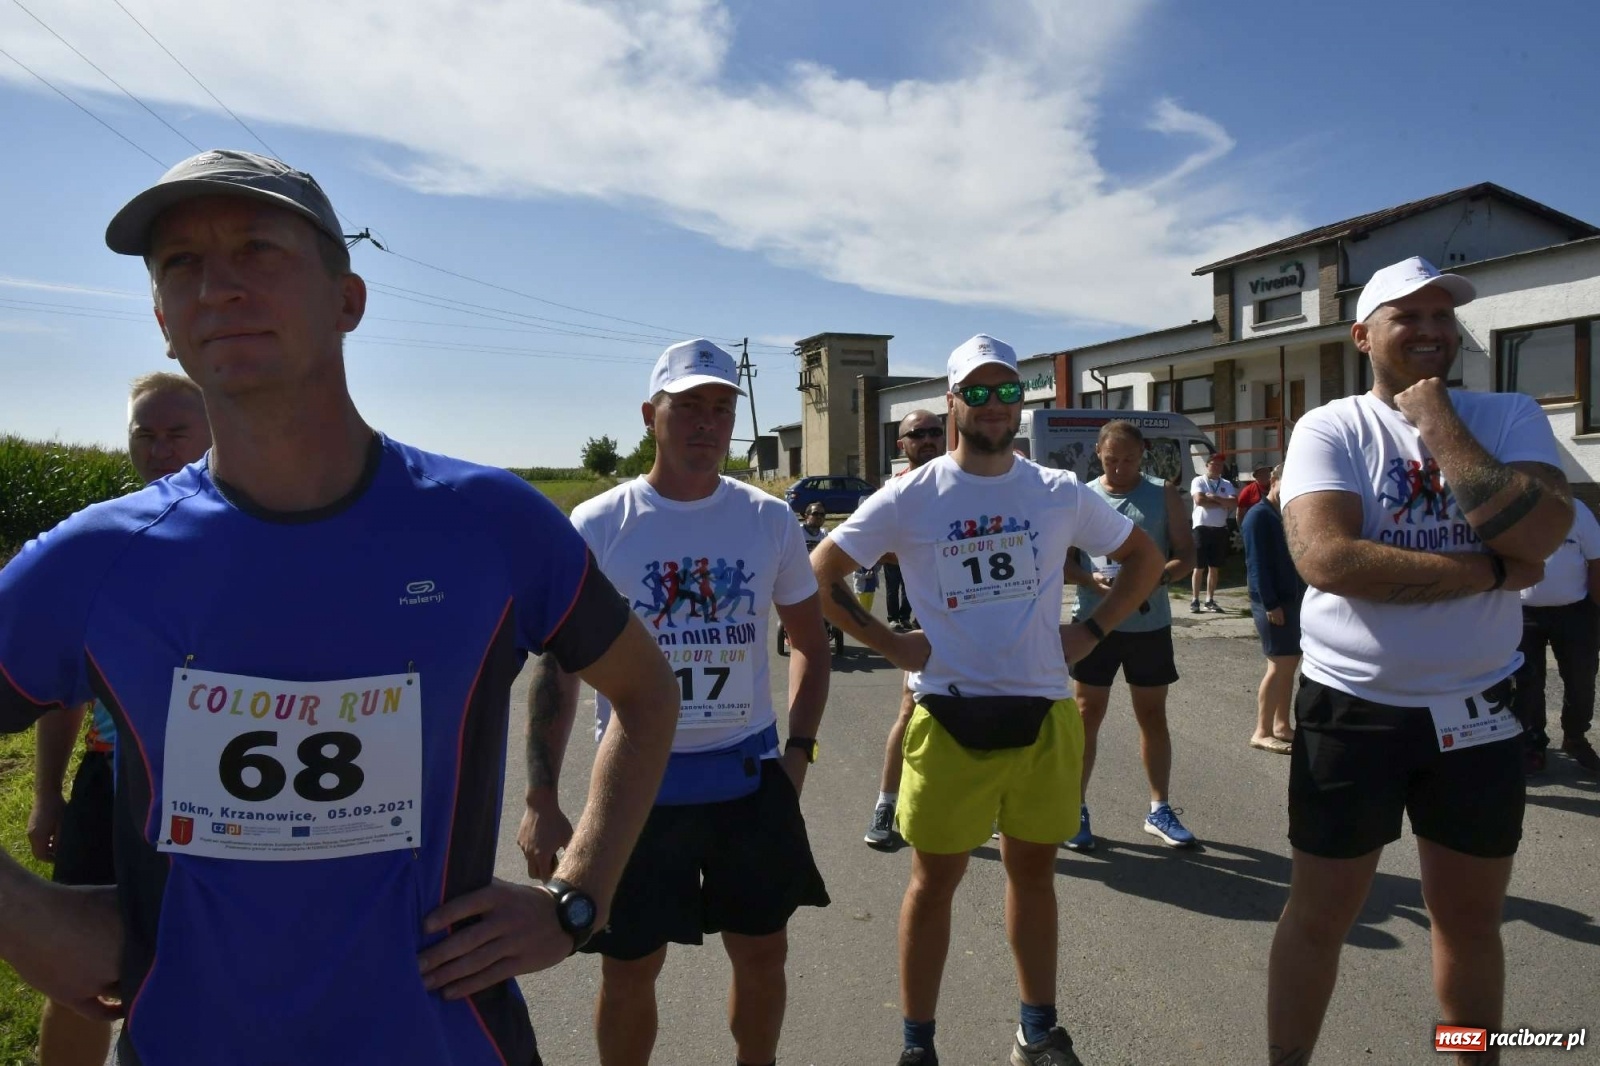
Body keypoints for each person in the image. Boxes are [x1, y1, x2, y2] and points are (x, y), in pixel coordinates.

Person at [0, 149, 679, 1066]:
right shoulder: (98, 560)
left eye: (258, 250)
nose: (218, 287)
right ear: (163, 321)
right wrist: (24, 916)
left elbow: (645, 694)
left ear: (348, 300)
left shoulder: (487, 523)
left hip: (444, 1041)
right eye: (182, 267)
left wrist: (578, 898)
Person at [813, 334, 1164, 1066]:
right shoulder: (913, 494)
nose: (995, 404)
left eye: (1007, 391)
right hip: (949, 715)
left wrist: (1092, 630)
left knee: (1033, 875)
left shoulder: (1055, 491)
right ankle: (918, 1045)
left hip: (1043, 714)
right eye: (978, 392)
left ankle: (1036, 1029)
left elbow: (1144, 559)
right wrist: (889, 643)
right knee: (933, 882)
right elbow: (822, 571)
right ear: (953, 403)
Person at [1269, 256, 1573, 1066]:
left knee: (1471, 923)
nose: (1433, 331)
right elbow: (1329, 559)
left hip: (1477, 708)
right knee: (1320, 915)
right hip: (1353, 710)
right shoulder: (1330, 427)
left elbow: (1541, 536)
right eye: (1410, 317)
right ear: (1364, 334)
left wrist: (1435, 419)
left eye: (1444, 316)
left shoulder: (1506, 413)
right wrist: (1484, 570)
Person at [518, 339, 831, 1066]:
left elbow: (811, 643)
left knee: (762, 954)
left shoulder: (767, 519)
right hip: (636, 787)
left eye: (721, 409)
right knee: (629, 968)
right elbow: (559, 671)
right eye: (688, 406)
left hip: (748, 782)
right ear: (650, 416)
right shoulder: (599, 523)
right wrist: (539, 795)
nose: (706, 423)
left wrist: (798, 756)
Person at [26, 372, 210, 1066]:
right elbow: (58, 686)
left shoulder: (259, 537)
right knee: (81, 978)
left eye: (176, 433)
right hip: (111, 784)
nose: (159, 449)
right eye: (145, 433)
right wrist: (48, 794)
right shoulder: (97, 542)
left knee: (198, 973)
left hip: (218, 792)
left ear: (214, 429)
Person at [1061, 419, 1197, 852]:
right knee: (1085, 717)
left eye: (1129, 459)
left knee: (1152, 717)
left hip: (1147, 625)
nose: (1120, 467)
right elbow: (1059, 562)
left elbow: (1187, 555)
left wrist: (1154, 579)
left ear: (1143, 457)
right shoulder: (1081, 496)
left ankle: (1159, 808)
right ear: (1098, 454)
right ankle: (1074, 808)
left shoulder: (1162, 493)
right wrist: (1088, 578)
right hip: (1094, 626)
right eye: (1112, 459)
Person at [863, 410, 947, 850]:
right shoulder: (893, 492)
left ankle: (979, 802)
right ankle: (886, 802)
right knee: (908, 712)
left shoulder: (963, 479)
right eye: (919, 434)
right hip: (927, 624)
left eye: (936, 431)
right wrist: (918, 555)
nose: (929, 439)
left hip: (980, 620)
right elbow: (868, 551)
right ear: (902, 444)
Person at [1512, 504, 1600, 774]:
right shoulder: (1508, 509)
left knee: (1581, 679)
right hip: (1522, 612)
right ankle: (1533, 743)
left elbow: (1597, 561)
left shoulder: (1576, 511)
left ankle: (1575, 737)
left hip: (1575, 612)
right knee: (1528, 683)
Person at [1241, 464, 1302, 755]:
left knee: (1289, 665)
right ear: (1273, 481)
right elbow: (1257, 565)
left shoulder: (1287, 513)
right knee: (1278, 666)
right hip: (1272, 603)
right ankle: (1262, 731)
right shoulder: (1259, 516)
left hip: (1291, 599)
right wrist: (1271, 604)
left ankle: (1282, 725)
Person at [1190, 452, 1236, 613]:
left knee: (1214, 567)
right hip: (1201, 527)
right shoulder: (1199, 480)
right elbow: (1199, 500)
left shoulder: (1226, 483)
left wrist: (1215, 497)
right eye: (1214, 464)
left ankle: (1209, 599)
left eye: (1220, 465)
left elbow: (1232, 503)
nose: (1217, 467)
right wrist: (1221, 502)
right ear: (1207, 465)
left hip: (1219, 528)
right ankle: (1195, 599)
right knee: (1198, 566)